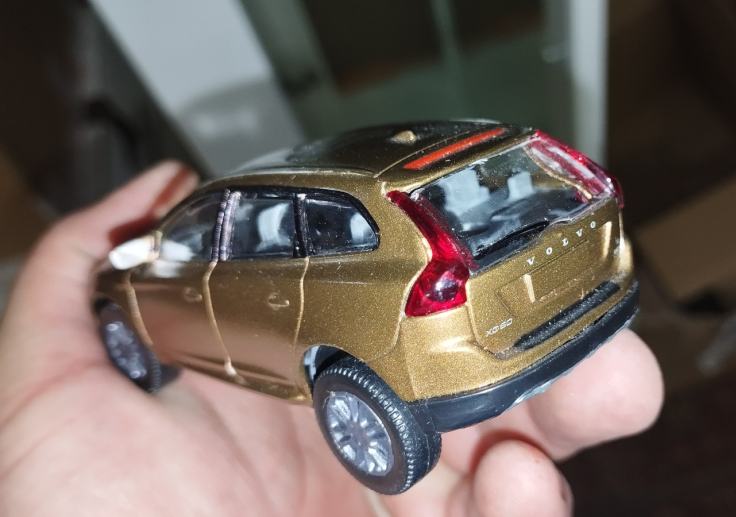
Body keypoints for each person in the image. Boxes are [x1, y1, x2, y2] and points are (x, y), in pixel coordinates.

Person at [0, 162, 664, 517]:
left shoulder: (355, 254)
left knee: (359, 386)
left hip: (328, 292)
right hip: (576, 298)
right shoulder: (140, 271)